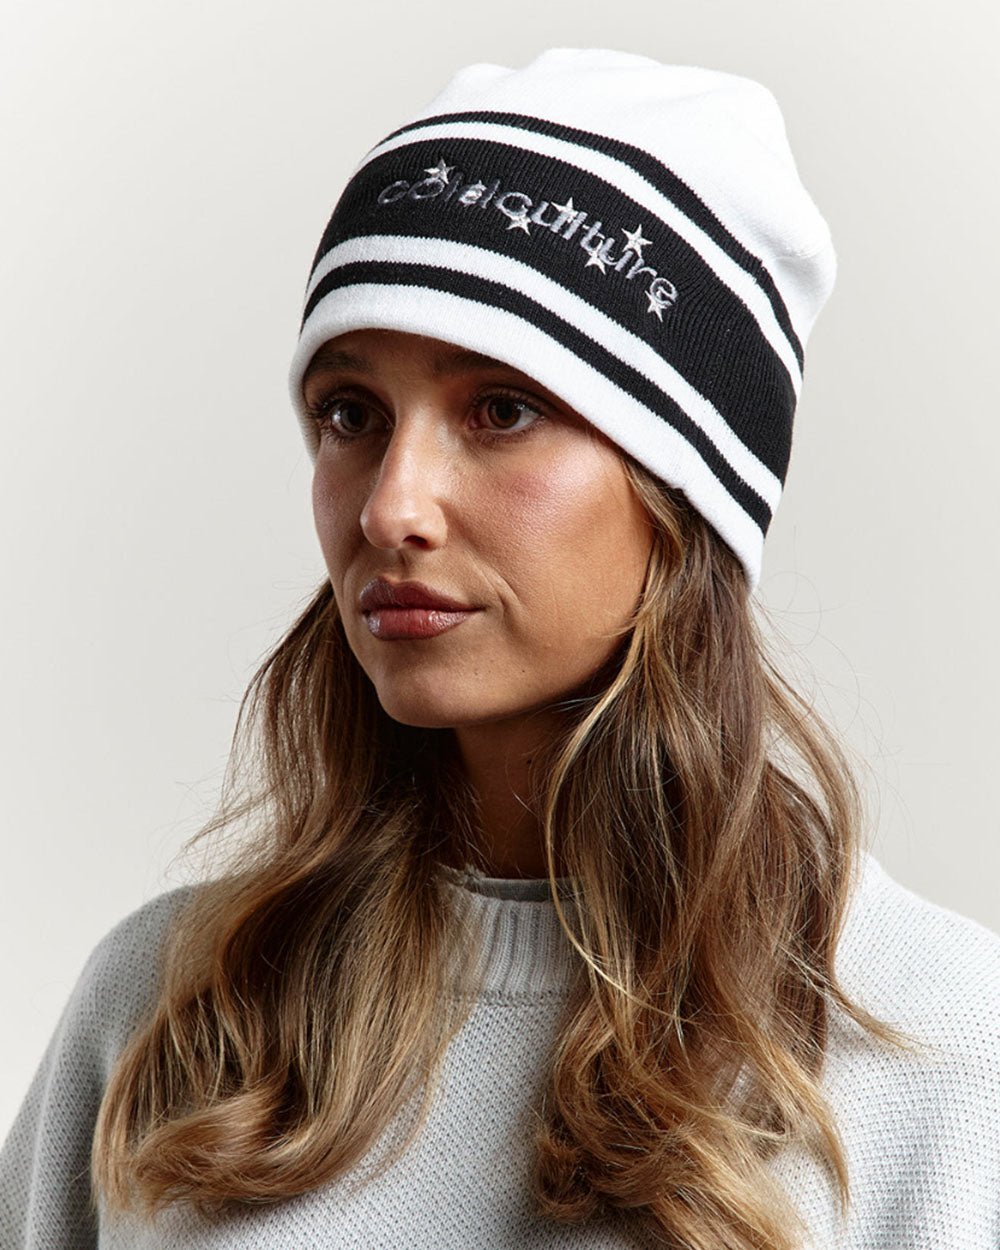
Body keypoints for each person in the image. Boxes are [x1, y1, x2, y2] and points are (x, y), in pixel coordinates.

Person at [1, 45, 998, 1250]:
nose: (390, 508)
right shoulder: (167, 1010)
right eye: (350, 414)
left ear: (686, 492)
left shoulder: (942, 1052)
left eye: (502, 408)